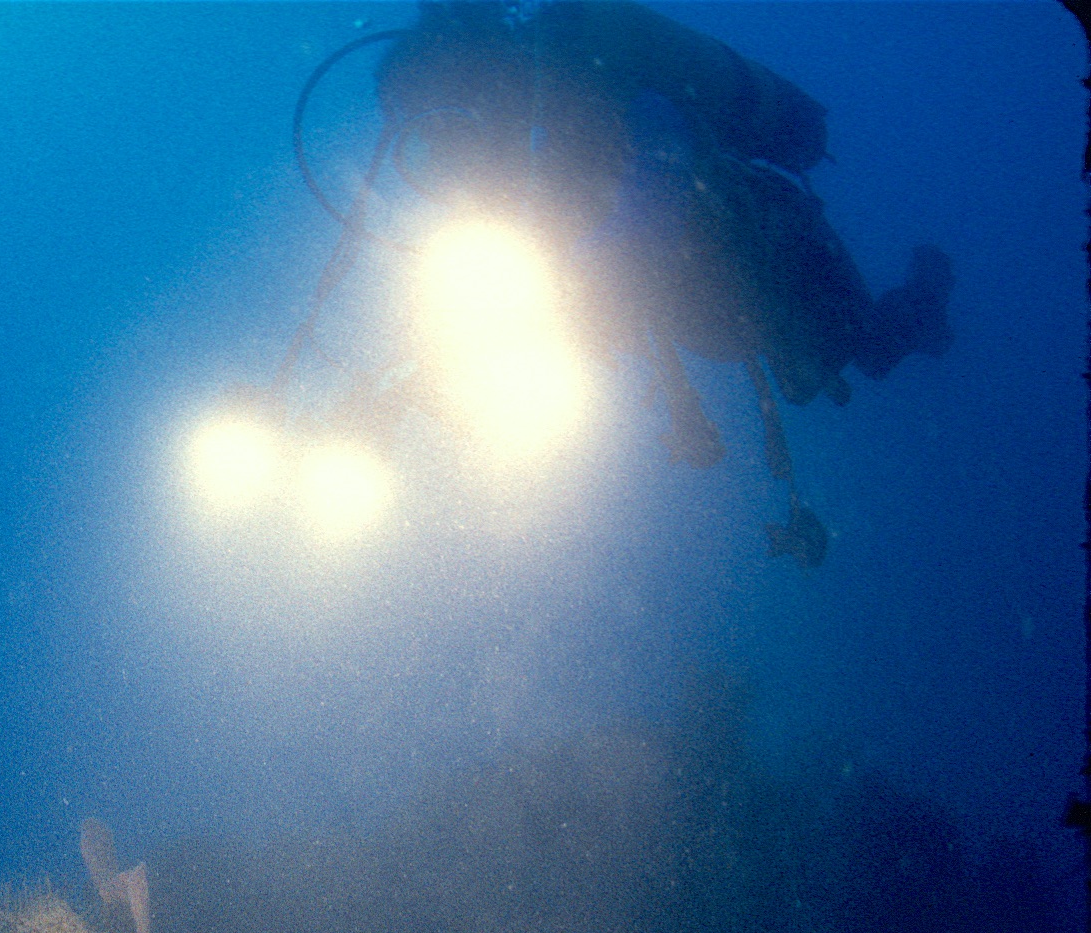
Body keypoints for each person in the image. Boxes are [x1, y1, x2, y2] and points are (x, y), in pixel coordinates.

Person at [371, 1, 949, 555]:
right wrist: (401, 388)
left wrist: (579, 281)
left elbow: (658, 178)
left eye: (445, 124)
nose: (445, 154)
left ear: (472, 82)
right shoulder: (532, 159)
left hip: (776, 250)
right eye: (425, 142)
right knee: (787, 365)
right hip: (704, 295)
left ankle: (929, 294)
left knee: (855, 356)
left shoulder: (586, 74)